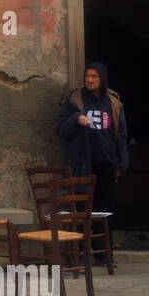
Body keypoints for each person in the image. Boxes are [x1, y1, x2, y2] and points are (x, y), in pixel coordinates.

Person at [57, 61, 129, 215]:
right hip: (83, 166)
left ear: (102, 79)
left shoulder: (114, 102)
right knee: (83, 213)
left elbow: (121, 135)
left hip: (107, 165)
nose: (89, 80)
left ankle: (104, 240)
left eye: (94, 76)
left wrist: (122, 164)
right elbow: (61, 131)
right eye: (87, 76)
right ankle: (85, 240)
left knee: (105, 214)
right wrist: (76, 118)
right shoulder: (74, 99)